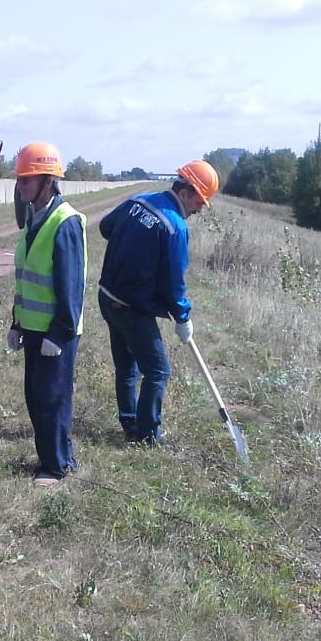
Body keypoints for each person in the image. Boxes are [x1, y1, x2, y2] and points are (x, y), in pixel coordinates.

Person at [96, 160, 220, 444]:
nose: (200, 208)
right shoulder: (174, 226)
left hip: (107, 297)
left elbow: (105, 227)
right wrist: (183, 316)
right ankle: (147, 433)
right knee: (157, 371)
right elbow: (173, 283)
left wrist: (132, 245)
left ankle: (130, 421)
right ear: (187, 191)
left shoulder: (137, 201)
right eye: (200, 201)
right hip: (132, 309)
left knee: (127, 367)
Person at [5, 141, 87, 486]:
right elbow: (28, 279)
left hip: (56, 332)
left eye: (27, 180)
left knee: (52, 399)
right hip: (34, 328)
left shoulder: (64, 222)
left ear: (48, 181)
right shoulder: (35, 220)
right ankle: (54, 457)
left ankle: (55, 467)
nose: (20, 187)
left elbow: (72, 285)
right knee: (36, 397)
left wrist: (59, 332)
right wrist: (16, 322)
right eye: (20, 180)